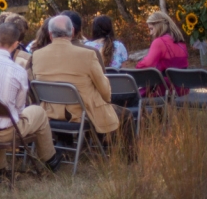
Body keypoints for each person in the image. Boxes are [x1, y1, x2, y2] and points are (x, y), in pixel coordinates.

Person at [0, 23, 61, 175]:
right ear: (17, 44)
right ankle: (50, 159)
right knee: (38, 112)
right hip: (6, 132)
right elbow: (19, 109)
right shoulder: (17, 71)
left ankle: (1, 169)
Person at [32, 16, 134, 155]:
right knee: (126, 115)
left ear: (50, 34)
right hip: (81, 112)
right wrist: (106, 100)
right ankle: (129, 156)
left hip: (51, 112)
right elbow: (104, 90)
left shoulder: (37, 55)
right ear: (73, 32)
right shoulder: (87, 54)